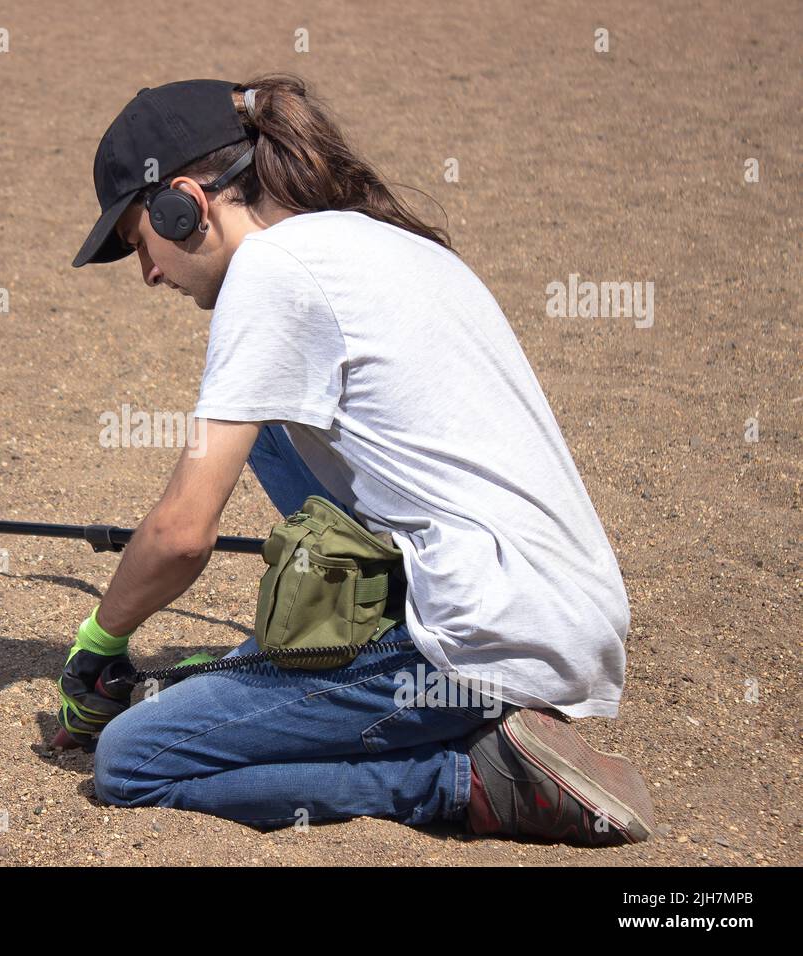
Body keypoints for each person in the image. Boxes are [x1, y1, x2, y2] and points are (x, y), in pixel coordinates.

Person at [58, 73, 656, 844]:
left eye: (142, 240)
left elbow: (182, 533)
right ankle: (382, 671)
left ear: (185, 204)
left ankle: (471, 779)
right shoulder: (380, 239)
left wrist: (99, 644)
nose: (147, 273)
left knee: (133, 758)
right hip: (560, 616)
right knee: (274, 425)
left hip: (476, 640)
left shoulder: (271, 274)